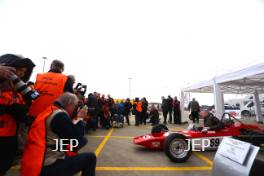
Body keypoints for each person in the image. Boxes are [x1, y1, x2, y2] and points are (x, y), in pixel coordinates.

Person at [21, 92, 96, 176]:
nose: (75, 109)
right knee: (90, 157)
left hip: (35, 159)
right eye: (75, 106)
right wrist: (80, 118)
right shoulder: (60, 115)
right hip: (45, 165)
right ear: (69, 104)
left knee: (82, 142)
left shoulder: (50, 111)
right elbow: (76, 137)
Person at [0, 54, 35, 175]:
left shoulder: (18, 90)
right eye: (19, 70)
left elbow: (23, 107)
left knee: (6, 163)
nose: (21, 74)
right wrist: (7, 109)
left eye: (24, 71)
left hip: (10, 134)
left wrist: (24, 114)